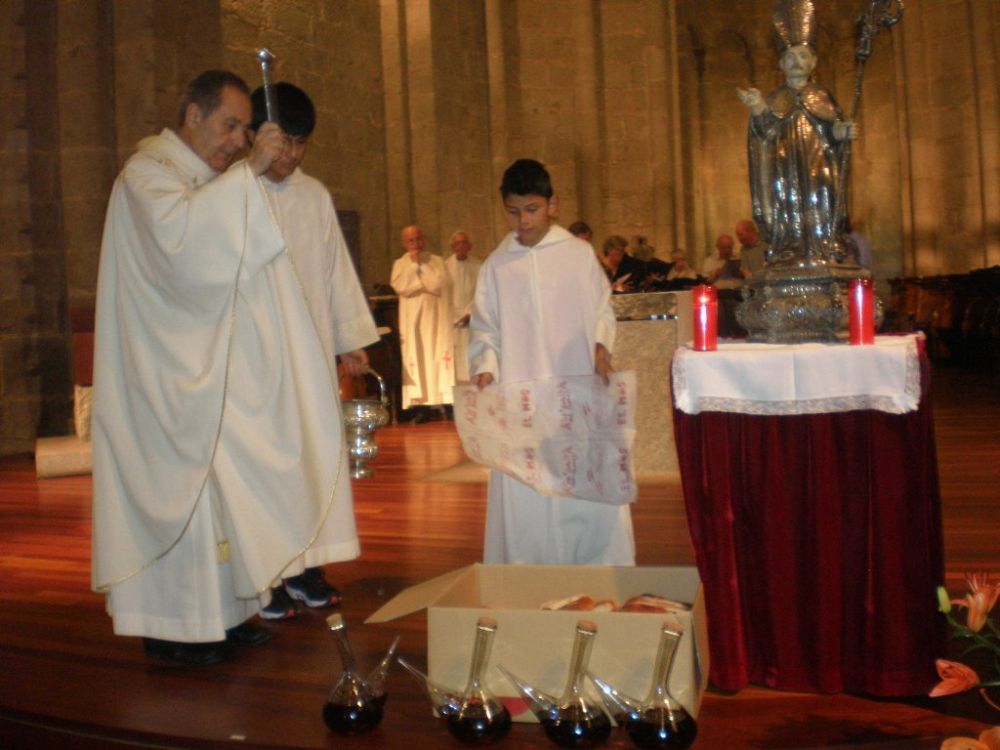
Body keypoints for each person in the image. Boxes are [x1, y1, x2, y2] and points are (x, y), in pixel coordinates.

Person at [91, 71, 351, 666]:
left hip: (209, 374)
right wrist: (249, 175)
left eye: (244, 128)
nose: (238, 140)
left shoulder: (211, 180)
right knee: (181, 498)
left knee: (224, 500)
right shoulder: (147, 175)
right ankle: (172, 627)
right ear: (191, 115)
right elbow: (183, 251)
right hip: (163, 378)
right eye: (230, 125)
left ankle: (227, 615)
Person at [248, 82, 380, 621]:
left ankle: (308, 565)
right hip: (255, 360)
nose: (292, 156)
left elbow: (334, 272)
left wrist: (349, 339)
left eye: (301, 145)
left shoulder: (314, 196)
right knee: (266, 464)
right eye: (283, 142)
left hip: (311, 354)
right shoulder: (237, 193)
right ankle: (270, 572)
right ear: (259, 137)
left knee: (313, 459)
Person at [469, 158, 635, 566]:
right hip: (521, 393)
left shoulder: (578, 256)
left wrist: (600, 349)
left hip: (572, 386)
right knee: (528, 486)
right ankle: (529, 571)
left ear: (552, 205)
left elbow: (601, 310)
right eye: (512, 211)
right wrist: (486, 365)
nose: (522, 220)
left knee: (580, 480)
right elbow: (485, 327)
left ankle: (595, 567)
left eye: (531, 209)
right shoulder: (495, 266)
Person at [736, 0, 857, 265]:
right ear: (780, 63)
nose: (796, 61)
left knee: (821, 199)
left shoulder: (822, 95)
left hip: (818, 165)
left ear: (814, 61)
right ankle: (790, 248)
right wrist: (757, 108)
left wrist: (840, 131)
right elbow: (765, 133)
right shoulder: (776, 98)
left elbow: (833, 132)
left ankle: (824, 247)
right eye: (790, 57)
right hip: (785, 168)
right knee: (787, 204)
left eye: (803, 56)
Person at [390, 224, 455, 422]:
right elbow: (401, 287)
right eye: (410, 240)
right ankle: (421, 407)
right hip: (414, 322)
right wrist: (413, 266)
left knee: (437, 358)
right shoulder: (400, 264)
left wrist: (422, 267)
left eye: (418, 239)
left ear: (423, 239)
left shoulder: (436, 260)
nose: (415, 243)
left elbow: (439, 285)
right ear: (404, 242)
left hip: (436, 321)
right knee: (418, 359)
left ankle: (444, 403)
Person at [444, 231, 482, 383]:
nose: (461, 246)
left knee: (471, 357)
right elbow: (444, 296)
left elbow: (481, 293)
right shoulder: (444, 267)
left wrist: (470, 313)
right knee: (455, 359)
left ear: (470, 246)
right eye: (457, 243)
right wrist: (455, 315)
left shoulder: (479, 266)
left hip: (472, 319)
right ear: (452, 247)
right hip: (452, 321)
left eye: (464, 242)